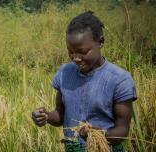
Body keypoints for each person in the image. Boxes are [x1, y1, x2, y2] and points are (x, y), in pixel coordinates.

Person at [31, 11, 137, 152]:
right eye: (71, 52)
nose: (76, 58)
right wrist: (46, 116)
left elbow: (122, 130)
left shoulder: (119, 80)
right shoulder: (64, 73)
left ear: (100, 42)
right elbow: (60, 115)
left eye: (83, 51)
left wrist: (96, 134)